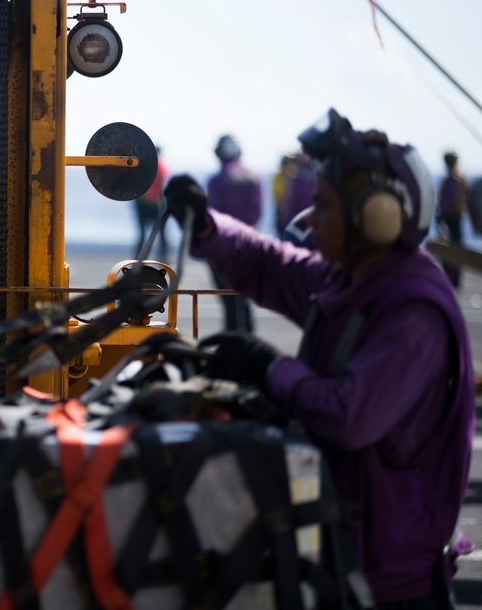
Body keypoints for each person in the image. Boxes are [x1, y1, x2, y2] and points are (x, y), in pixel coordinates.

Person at [164, 108, 475, 609]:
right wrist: (206, 227)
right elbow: (273, 264)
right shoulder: (351, 277)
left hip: (392, 581)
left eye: (325, 206)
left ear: (375, 218)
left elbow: (350, 416)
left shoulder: (412, 310)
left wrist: (269, 367)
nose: (310, 218)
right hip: (344, 553)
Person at [206, 134, 262, 332]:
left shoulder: (217, 180)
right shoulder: (253, 177)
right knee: (244, 297)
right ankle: (248, 336)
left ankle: (232, 338)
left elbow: (213, 214)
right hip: (248, 243)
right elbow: (256, 211)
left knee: (227, 298)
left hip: (222, 246)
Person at [435, 150, 476, 289]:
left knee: (449, 249)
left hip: (450, 218)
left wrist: (439, 215)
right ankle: (455, 278)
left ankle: (452, 278)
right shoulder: (461, 177)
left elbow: (447, 201)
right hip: (456, 217)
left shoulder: (453, 178)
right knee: (457, 246)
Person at [133, 146, 170, 257]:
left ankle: (138, 259)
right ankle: (163, 259)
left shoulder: (143, 163)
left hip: (143, 202)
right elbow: (162, 186)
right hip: (153, 203)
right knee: (160, 234)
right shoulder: (162, 166)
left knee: (143, 234)